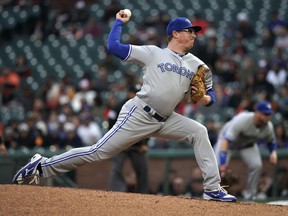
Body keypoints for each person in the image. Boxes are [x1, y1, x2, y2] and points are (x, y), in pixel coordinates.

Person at [12, 11, 236, 202]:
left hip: (167, 119)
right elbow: (114, 47)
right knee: (98, 152)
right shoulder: (153, 53)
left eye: (194, 31)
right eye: (189, 30)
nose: (193, 34)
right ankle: (41, 166)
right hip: (139, 113)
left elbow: (210, 92)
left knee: (199, 131)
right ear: (175, 33)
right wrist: (119, 22)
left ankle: (212, 188)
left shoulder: (197, 64)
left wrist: (206, 99)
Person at [213, 101, 278, 201]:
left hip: (247, 145)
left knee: (257, 165)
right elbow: (226, 141)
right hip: (228, 143)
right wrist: (222, 164)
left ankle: (250, 196)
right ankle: (213, 193)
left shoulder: (268, 127)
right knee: (217, 168)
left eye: (268, 114)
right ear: (257, 112)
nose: (266, 117)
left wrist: (273, 152)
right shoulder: (242, 120)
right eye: (264, 114)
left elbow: (271, 141)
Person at [108, 85, 149, 193]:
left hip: (137, 145)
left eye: (138, 92)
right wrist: (118, 143)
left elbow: (150, 126)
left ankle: (143, 194)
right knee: (116, 169)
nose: (136, 95)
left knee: (142, 170)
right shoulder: (118, 107)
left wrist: (145, 144)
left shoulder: (144, 107)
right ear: (129, 93)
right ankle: (116, 192)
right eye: (134, 92)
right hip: (121, 145)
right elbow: (110, 125)